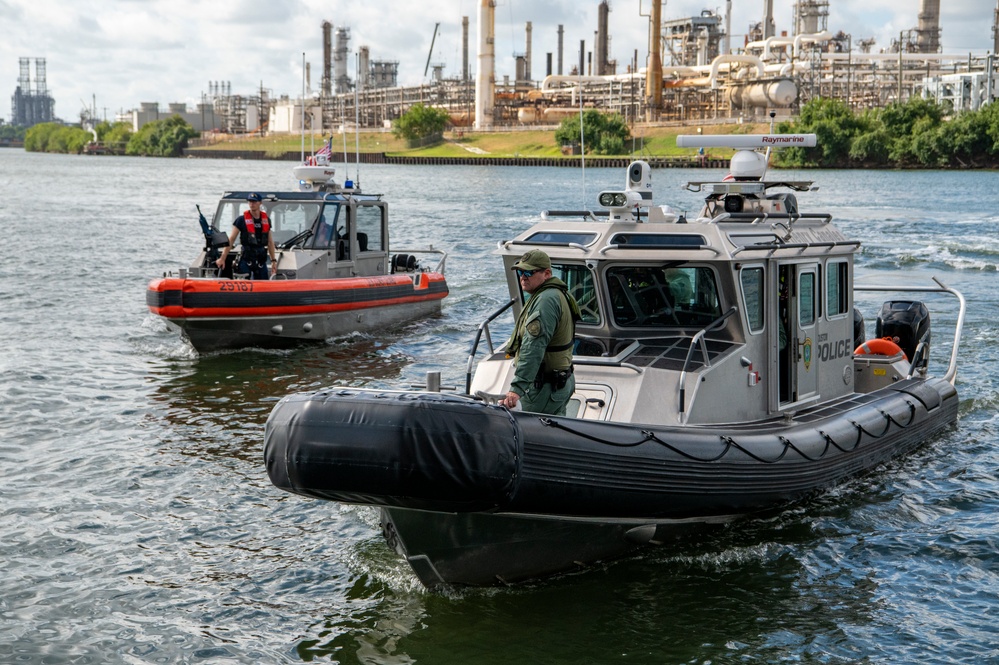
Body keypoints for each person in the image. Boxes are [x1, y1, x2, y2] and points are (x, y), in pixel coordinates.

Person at [499, 249, 582, 416]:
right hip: (558, 383)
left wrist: (517, 388)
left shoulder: (546, 300)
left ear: (547, 273)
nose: (523, 276)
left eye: (529, 272)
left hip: (544, 388)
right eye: (521, 272)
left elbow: (533, 348)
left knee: (524, 432)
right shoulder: (556, 294)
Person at [215, 193, 278, 279]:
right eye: (250, 202)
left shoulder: (266, 220)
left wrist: (273, 261)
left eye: (254, 202)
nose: (252, 204)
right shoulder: (241, 220)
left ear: (260, 203)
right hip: (246, 259)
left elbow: (270, 242)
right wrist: (222, 258)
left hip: (261, 261)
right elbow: (231, 239)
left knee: (263, 282)